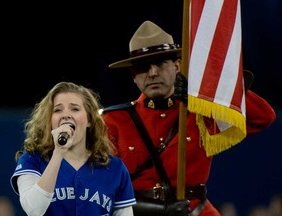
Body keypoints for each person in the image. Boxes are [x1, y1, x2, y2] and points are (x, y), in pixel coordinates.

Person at [102, 20, 276, 216]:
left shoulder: (201, 112)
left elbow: (263, 117)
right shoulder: (115, 120)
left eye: (160, 63)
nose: (152, 73)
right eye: (142, 67)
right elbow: (103, 187)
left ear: (178, 66)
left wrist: (204, 94)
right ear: (133, 75)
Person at [10, 81, 136, 216]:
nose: (66, 115)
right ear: (49, 120)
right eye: (58, 110)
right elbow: (34, 210)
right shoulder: (32, 160)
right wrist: (58, 153)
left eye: (75, 109)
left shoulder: (115, 167)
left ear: (89, 120)